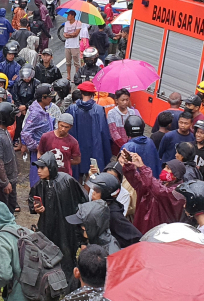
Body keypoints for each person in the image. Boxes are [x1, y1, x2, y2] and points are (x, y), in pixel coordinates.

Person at [31, 151, 87, 285]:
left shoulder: (67, 181)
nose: (38, 171)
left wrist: (80, 224)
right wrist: (36, 208)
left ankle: (69, 284)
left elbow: (82, 199)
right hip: (47, 226)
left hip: (66, 228)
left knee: (66, 255)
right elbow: (31, 200)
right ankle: (50, 283)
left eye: (42, 167)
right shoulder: (40, 185)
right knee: (48, 253)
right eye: (37, 167)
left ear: (50, 167)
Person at [119, 150, 184, 234]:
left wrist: (143, 167)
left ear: (176, 174)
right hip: (145, 226)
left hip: (161, 232)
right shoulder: (159, 183)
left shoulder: (176, 192)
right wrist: (129, 165)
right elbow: (138, 183)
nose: (164, 170)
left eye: (168, 168)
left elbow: (159, 191)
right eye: (165, 167)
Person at [21, 84, 56, 209]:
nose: (51, 99)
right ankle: (35, 203)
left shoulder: (42, 109)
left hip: (45, 150)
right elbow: (25, 132)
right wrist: (36, 147)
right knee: (37, 177)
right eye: (49, 97)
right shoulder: (36, 113)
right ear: (43, 98)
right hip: (39, 152)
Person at [69, 81, 112, 180]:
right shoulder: (99, 109)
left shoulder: (72, 108)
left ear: (81, 93)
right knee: (93, 175)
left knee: (76, 177)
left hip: (77, 148)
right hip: (94, 148)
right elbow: (104, 132)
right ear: (93, 94)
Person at [87, 171, 142, 247]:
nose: (93, 193)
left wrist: (115, 244)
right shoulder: (101, 208)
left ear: (105, 193)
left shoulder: (113, 214)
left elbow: (136, 237)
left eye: (97, 191)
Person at [0, 101, 20, 213]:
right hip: (2, 182)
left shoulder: (2, 130)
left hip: (9, 178)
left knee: (10, 208)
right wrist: (4, 182)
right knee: (3, 211)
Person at [38, 113, 81, 177]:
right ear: (58, 123)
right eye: (62, 126)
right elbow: (40, 153)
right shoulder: (46, 137)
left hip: (64, 175)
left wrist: (65, 161)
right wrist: (45, 164)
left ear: (71, 127)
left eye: (66, 127)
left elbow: (77, 160)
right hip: (48, 174)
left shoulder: (73, 142)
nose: (63, 129)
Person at [107, 89, 140, 156]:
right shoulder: (111, 113)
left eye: (127, 100)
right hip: (117, 147)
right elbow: (113, 132)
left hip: (131, 146)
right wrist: (123, 145)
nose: (125, 102)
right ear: (116, 101)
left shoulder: (132, 112)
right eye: (122, 100)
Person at [62, 10, 85, 79]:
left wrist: (69, 35)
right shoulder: (66, 23)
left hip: (74, 46)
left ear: (72, 16)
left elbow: (76, 34)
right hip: (67, 45)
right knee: (68, 62)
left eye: (69, 15)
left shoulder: (78, 23)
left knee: (76, 62)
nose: (67, 17)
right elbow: (65, 34)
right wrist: (71, 34)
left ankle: (76, 76)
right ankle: (68, 76)